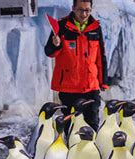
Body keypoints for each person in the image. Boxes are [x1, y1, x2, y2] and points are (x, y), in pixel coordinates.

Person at [44, 0, 108, 134]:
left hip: (91, 86)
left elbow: (101, 56)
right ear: (73, 8)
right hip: (69, 87)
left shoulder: (95, 27)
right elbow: (49, 52)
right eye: (80, 10)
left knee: (92, 124)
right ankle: (71, 151)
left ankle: (92, 154)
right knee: (70, 126)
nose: (84, 14)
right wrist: (56, 45)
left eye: (87, 10)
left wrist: (103, 81)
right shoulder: (62, 26)